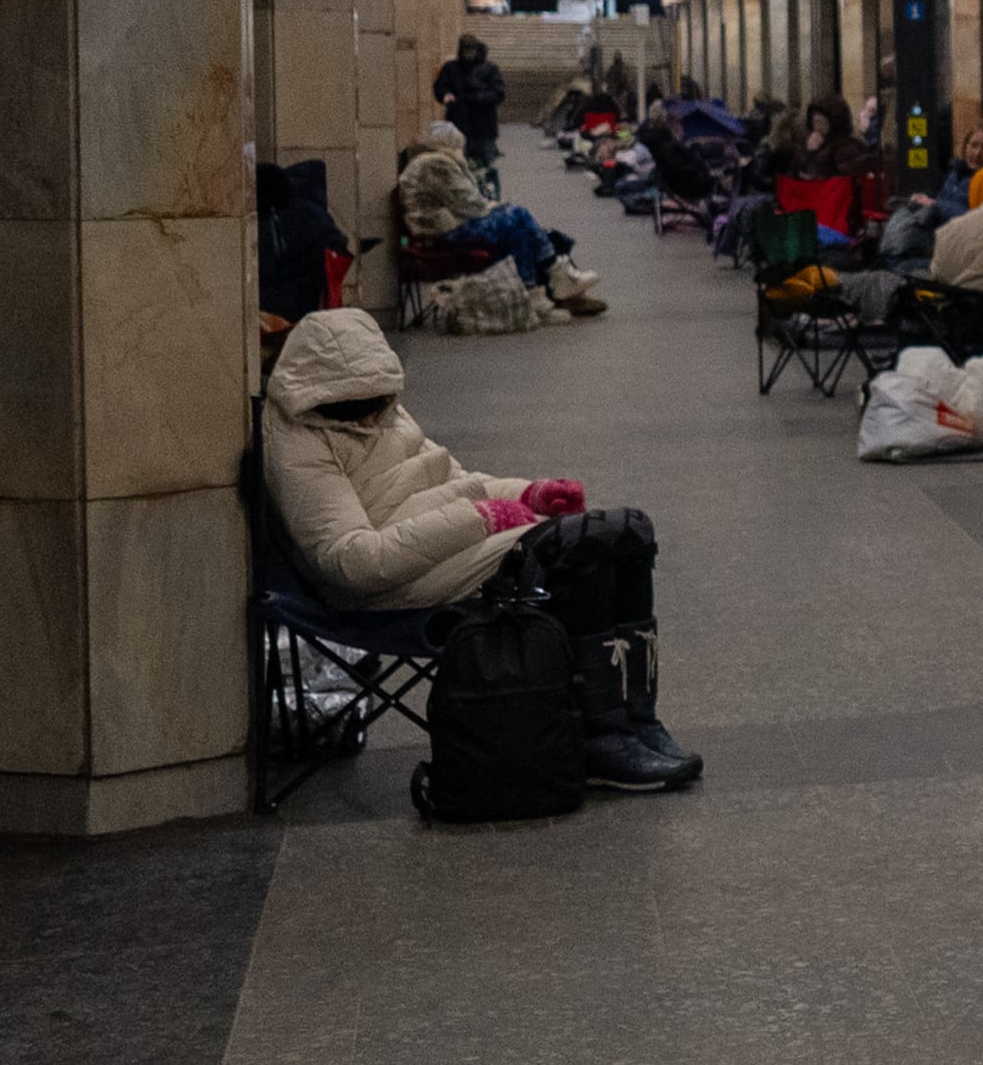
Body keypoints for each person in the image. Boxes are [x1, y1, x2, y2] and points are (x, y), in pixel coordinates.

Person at [261, 310, 699, 789]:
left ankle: (638, 721)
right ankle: (601, 739)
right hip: (392, 584)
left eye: (378, 398)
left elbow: (457, 480)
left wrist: (526, 494)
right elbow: (355, 562)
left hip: (436, 548)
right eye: (357, 402)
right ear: (321, 394)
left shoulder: (384, 411)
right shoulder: (300, 445)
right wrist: (479, 520)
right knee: (580, 550)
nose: (370, 412)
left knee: (629, 535)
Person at [398, 127, 605, 316]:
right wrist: (494, 206)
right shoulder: (436, 163)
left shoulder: (426, 162)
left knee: (517, 222)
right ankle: (551, 281)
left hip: (436, 234)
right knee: (517, 218)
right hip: (440, 237)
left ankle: (546, 287)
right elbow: (472, 207)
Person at [431, 36, 506, 167]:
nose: (468, 54)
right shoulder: (451, 68)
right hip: (458, 124)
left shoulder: (489, 69)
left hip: (483, 126)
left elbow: (498, 93)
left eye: (471, 50)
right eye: (466, 50)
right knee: (458, 165)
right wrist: (445, 94)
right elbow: (440, 87)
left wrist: (476, 98)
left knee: (484, 166)